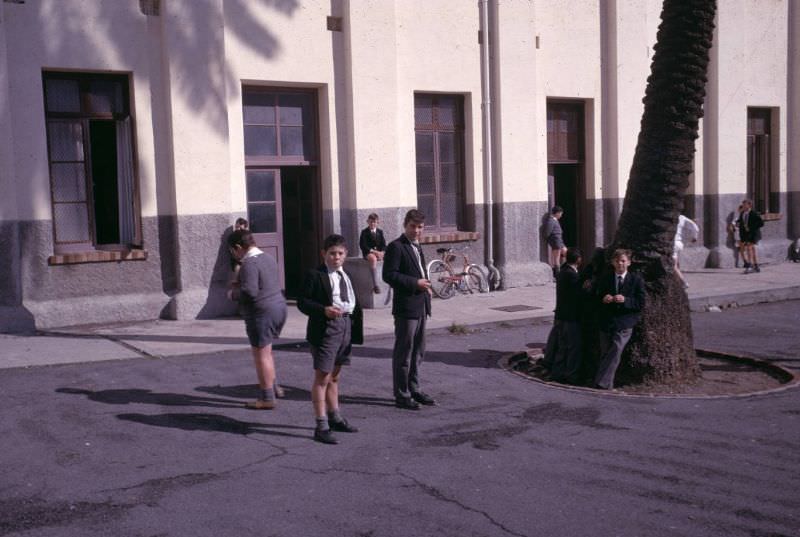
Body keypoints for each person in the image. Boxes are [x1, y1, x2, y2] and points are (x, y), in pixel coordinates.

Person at [297, 234, 363, 445]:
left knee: (335, 376)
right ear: (324, 254)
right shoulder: (315, 275)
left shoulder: (346, 275)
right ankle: (321, 424)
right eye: (332, 253)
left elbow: (352, 302)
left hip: (345, 328)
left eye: (340, 254)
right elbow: (302, 302)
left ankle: (335, 417)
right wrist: (323, 311)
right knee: (322, 378)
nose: (336, 257)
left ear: (346, 255)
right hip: (326, 329)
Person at [227, 229, 288, 409]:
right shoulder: (268, 257)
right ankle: (274, 387)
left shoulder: (249, 264)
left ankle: (267, 398)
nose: (234, 255)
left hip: (262, 313)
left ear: (238, 247)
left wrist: (232, 294)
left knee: (261, 355)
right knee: (268, 353)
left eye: (233, 251)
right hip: (279, 308)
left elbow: (250, 292)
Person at [382, 209, 434, 410]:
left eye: (420, 227)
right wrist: (415, 283)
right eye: (413, 226)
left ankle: (414, 389)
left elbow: (419, 271)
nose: (416, 230)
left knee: (418, 351)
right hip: (406, 308)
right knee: (404, 352)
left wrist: (426, 289)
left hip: (421, 305)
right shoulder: (396, 247)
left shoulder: (417, 247)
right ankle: (402, 394)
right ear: (405, 225)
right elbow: (389, 275)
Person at [593, 249, 645, 390]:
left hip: (624, 322)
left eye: (623, 261)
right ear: (612, 262)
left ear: (628, 262)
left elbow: (641, 302)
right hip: (606, 321)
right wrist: (603, 299)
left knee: (616, 349)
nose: (620, 264)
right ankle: (607, 385)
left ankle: (601, 383)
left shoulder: (636, 280)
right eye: (617, 261)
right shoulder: (606, 278)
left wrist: (626, 300)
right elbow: (596, 298)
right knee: (605, 353)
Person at [547, 247, 584, 384]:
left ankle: (557, 373)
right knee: (573, 347)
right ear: (578, 260)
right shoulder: (572, 275)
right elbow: (578, 295)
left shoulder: (562, 272)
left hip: (561, 315)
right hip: (570, 317)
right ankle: (571, 375)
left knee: (562, 346)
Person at [359, 213, 387, 293]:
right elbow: (363, 245)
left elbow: (383, 244)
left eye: (374, 222)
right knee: (373, 259)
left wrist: (382, 252)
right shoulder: (364, 232)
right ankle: (375, 285)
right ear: (368, 222)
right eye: (371, 222)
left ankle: (390, 281)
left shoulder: (380, 232)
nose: (372, 224)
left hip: (378, 252)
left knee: (389, 257)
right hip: (368, 252)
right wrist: (374, 251)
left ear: (378, 223)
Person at [737, 199, 764, 274]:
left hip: (754, 234)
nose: (744, 206)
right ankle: (756, 265)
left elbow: (761, 223)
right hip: (746, 234)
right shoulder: (742, 213)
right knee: (752, 249)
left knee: (749, 248)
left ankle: (749, 265)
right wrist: (738, 223)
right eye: (743, 204)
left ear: (749, 205)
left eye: (745, 204)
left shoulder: (754, 213)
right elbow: (741, 221)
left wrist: (751, 227)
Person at [673, 214, 699, 288]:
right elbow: (695, 227)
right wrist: (694, 237)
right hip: (679, 243)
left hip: (673, 243)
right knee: (676, 264)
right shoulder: (682, 218)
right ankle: (677, 282)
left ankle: (684, 283)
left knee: (673, 266)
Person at [541, 206, 567, 279]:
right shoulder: (551, 221)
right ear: (557, 213)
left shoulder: (554, 220)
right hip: (556, 241)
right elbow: (547, 233)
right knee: (556, 258)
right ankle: (557, 274)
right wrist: (551, 239)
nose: (561, 215)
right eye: (561, 214)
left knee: (566, 252)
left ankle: (563, 270)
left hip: (559, 241)